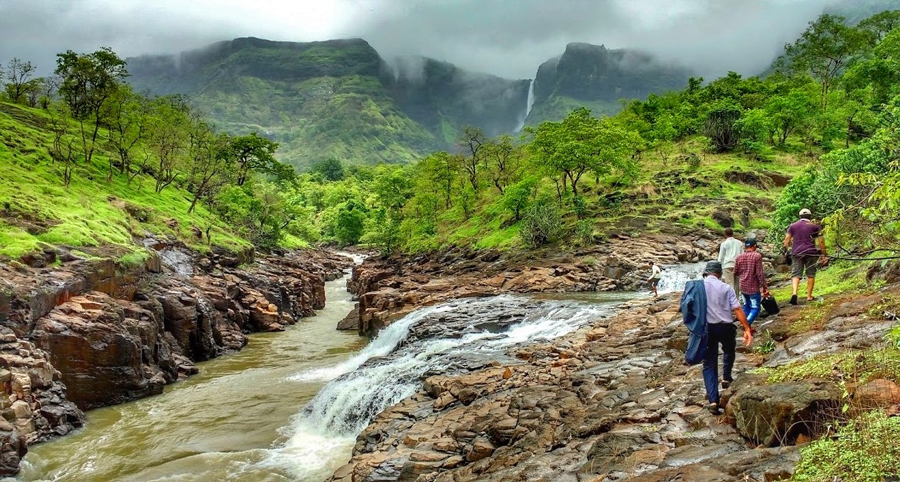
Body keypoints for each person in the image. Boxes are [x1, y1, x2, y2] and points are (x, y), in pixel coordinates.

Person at [695, 261, 753, 414]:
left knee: (709, 364)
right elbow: (737, 309)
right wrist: (747, 328)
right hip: (726, 326)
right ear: (719, 274)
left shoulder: (698, 287)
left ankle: (713, 401)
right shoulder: (726, 287)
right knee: (729, 351)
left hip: (707, 328)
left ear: (706, 273)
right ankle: (726, 377)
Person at [783, 208, 828, 305]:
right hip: (811, 252)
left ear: (800, 217)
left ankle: (794, 293)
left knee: (796, 274)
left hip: (797, 252)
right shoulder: (815, 226)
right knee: (810, 273)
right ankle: (809, 296)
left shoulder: (793, 226)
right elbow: (821, 241)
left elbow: (787, 239)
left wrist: (785, 250)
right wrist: (824, 254)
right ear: (810, 217)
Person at [733, 238, 768, 327]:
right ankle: (746, 324)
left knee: (746, 306)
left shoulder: (739, 257)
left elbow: (735, 272)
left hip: (743, 286)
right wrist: (764, 286)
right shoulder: (757, 256)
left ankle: (745, 324)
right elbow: (759, 273)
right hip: (753, 286)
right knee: (756, 308)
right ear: (755, 246)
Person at [718, 227, 743, 296]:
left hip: (727, 265)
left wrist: (718, 266)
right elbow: (742, 255)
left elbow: (721, 257)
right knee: (736, 284)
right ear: (733, 233)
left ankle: (730, 301)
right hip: (737, 265)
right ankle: (736, 301)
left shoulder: (724, 244)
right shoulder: (739, 243)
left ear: (725, 234)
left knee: (729, 284)